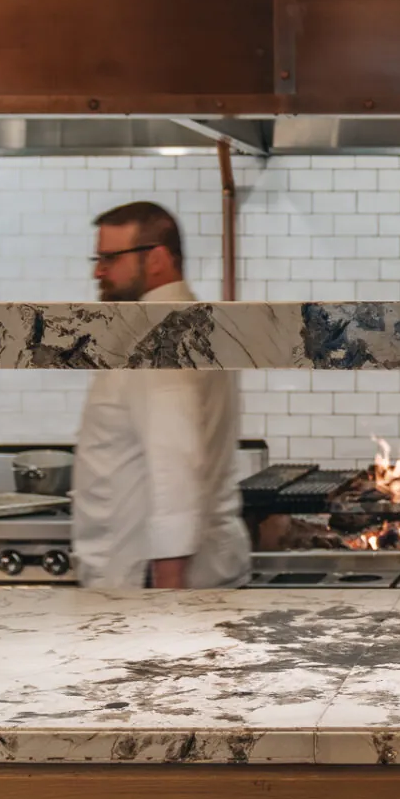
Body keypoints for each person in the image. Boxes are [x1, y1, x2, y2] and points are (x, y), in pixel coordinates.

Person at [72, 202, 250, 589]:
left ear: (156, 258)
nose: (98, 271)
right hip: (173, 580)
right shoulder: (193, 321)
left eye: (109, 258)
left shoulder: (160, 334)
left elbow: (174, 462)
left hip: (150, 586)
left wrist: (168, 597)